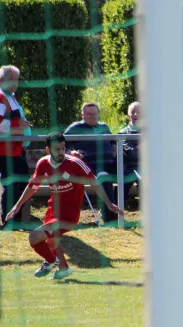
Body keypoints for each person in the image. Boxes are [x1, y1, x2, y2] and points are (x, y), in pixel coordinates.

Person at [5, 132, 124, 280]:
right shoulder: (43, 163)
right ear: (48, 150)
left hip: (68, 215)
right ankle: (63, 269)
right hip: (52, 210)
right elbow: (32, 187)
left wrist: (109, 204)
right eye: (57, 149)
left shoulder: (75, 163)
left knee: (34, 237)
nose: (61, 152)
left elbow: (95, 183)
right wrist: (17, 206)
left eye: (63, 148)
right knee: (50, 240)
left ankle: (50, 261)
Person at [64, 102, 118, 224]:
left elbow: (114, 141)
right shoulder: (75, 128)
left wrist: (114, 146)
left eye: (94, 113)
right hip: (91, 167)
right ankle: (110, 216)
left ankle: (121, 210)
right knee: (104, 177)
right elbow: (62, 145)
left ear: (98, 114)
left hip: (112, 164)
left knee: (133, 174)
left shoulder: (104, 126)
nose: (91, 116)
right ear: (82, 115)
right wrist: (71, 152)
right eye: (88, 114)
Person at [0, 65, 31, 228]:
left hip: (17, 149)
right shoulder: (0, 97)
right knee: (11, 185)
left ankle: (15, 219)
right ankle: (8, 221)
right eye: (11, 79)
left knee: (22, 183)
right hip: (6, 151)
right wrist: (19, 125)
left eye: (16, 79)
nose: (15, 83)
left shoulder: (11, 96)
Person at [117, 101, 141, 203]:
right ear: (128, 116)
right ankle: (115, 209)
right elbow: (131, 153)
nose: (136, 114)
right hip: (129, 167)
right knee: (123, 183)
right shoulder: (123, 133)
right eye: (133, 112)